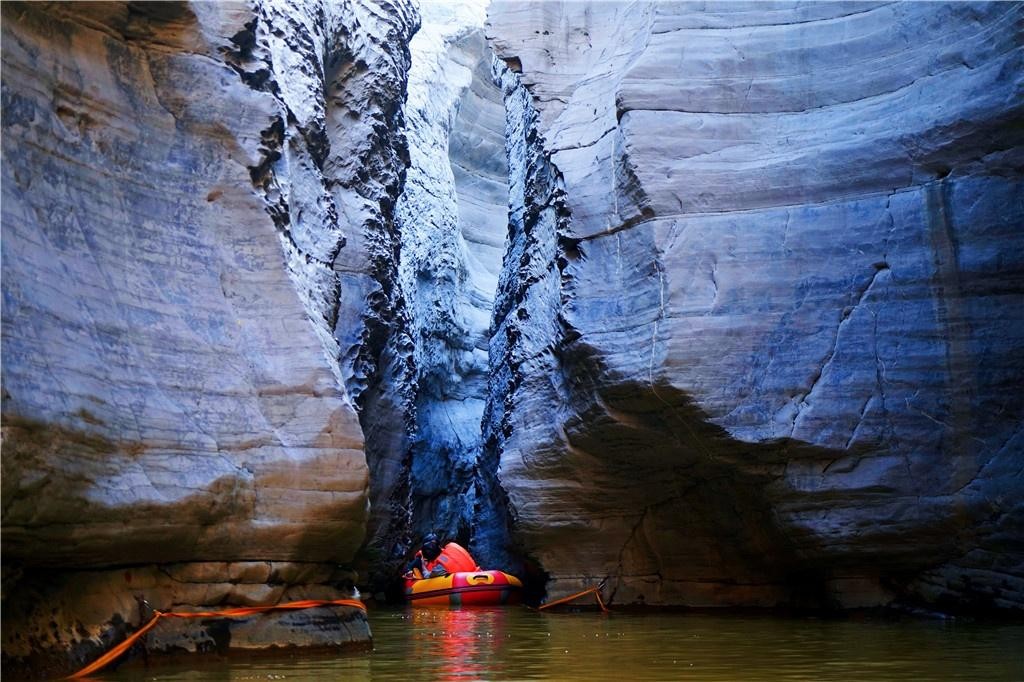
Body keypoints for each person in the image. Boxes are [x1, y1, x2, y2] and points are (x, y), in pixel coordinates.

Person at [405, 533, 480, 579]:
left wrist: (424, 568)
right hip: (477, 574)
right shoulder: (452, 546)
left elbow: (428, 576)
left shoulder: (440, 563)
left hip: (464, 582)